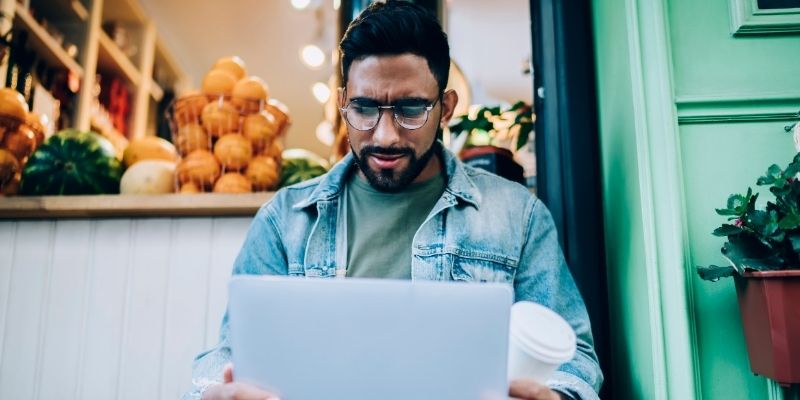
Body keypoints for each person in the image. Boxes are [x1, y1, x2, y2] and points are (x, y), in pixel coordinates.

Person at [184, 1, 602, 399]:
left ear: (447, 107)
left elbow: (574, 359)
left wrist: (557, 396)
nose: (385, 135)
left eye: (410, 109)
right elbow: (230, 355)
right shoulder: (284, 219)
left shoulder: (517, 216)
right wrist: (211, 391)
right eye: (364, 109)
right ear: (344, 103)